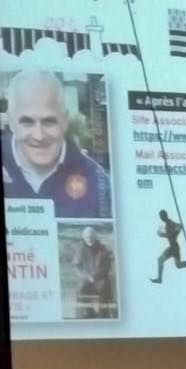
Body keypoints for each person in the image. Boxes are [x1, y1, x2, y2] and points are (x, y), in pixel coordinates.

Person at [2, 70, 112, 218]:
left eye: (49, 122)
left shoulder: (97, 180)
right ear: (11, 122)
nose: (39, 136)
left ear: (65, 120)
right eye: (27, 122)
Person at [150, 210, 186, 284]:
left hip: (174, 247)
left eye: (161, 217)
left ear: (164, 216)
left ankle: (159, 279)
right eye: (160, 217)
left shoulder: (169, 223)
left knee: (162, 260)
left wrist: (165, 234)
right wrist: (164, 235)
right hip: (174, 247)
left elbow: (178, 227)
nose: (161, 218)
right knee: (178, 265)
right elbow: (172, 234)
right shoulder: (167, 224)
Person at [75, 226, 114, 319]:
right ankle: (88, 312)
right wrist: (87, 276)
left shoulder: (103, 249)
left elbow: (107, 267)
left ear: (95, 236)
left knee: (104, 287)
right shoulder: (80, 250)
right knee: (81, 288)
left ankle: (103, 314)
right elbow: (77, 267)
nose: (89, 239)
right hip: (86, 279)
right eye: (87, 237)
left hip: (100, 278)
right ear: (84, 237)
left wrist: (95, 276)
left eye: (91, 236)